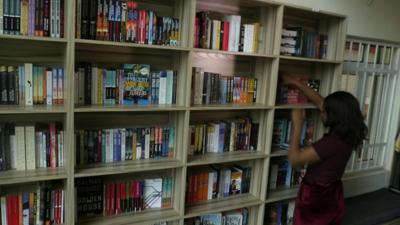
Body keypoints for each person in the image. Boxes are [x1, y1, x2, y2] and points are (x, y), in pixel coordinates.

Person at [280, 73, 368, 225]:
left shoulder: (331, 143)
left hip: (315, 199)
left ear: (333, 116)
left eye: (323, 112)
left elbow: (295, 159)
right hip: (333, 195)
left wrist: (297, 126)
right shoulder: (351, 130)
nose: (320, 112)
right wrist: (297, 83)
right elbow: (321, 101)